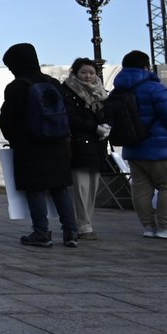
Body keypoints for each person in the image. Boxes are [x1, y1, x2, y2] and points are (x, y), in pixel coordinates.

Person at [0, 43, 79, 248]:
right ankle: (71, 232)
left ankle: (41, 232)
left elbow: (7, 119)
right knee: (60, 188)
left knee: (35, 189)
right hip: (58, 144)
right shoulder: (54, 83)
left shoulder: (17, 87)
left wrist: (15, 139)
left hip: (30, 145)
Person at [112, 50, 167, 240]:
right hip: (161, 148)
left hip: (133, 147)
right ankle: (166, 226)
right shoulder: (155, 89)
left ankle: (148, 226)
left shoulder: (117, 90)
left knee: (141, 188)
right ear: (147, 67)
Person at [62, 58, 110, 239]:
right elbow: (71, 118)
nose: (88, 76)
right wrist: (94, 127)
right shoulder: (67, 91)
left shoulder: (101, 92)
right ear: (75, 73)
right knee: (80, 187)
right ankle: (82, 225)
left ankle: (86, 222)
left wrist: (107, 125)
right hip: (78, 144)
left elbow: (108, 113)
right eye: (83, 72)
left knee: (92, 187)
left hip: (97, 145)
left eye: (91, 72)